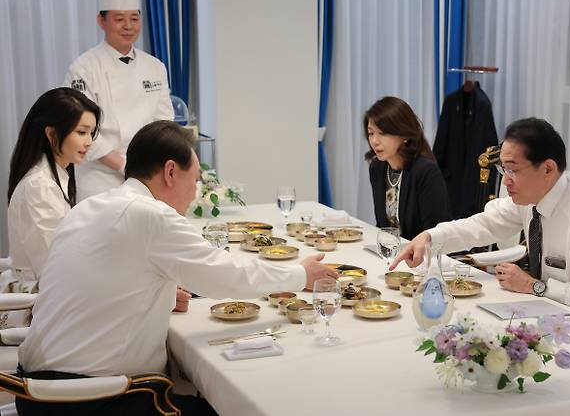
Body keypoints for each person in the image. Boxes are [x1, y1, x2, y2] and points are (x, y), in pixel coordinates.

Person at [17, 121, 338, 415]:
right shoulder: (149, 215)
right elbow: (225, 274)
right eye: (195, 178)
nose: (196, 189)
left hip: (33, 390)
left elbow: (103, 282)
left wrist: (163, 295)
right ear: (171, 172)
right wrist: (300, 275)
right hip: (89, 400)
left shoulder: (87, 208)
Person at [390, 118, 570, 323]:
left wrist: (536, 286)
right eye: (503, 169)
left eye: (513, 170)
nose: (506, 181)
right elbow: (483, 225)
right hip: (552, 313)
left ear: (548, 169)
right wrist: (431, 236)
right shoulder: (532, 197)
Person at [64, 0, 174, 200]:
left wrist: (149, 168)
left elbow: (164, 122)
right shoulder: (83, 68)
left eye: (134, 18)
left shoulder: (155, 67)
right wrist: (125, 166)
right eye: (119, 19)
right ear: (101, 21)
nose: (128, 26)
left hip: (147, 177)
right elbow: (81, 129)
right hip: (99, 180)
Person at [7, 87, 100, 302]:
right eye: (81, 132)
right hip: (42, 304)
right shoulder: (39, 186)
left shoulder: (56, 178)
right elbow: (56, 266)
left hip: (57, 293)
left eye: (91, 133)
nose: (89, 142)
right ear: (51, 134)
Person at [364, 96, 451, 240]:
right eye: (371, 133)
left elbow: (436, 233)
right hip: (392, 253)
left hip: (422, 256)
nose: (374, 141)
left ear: (404, 135)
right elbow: (382, 225)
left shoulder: (425, 171)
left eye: (383, 133)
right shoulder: (377, 168)